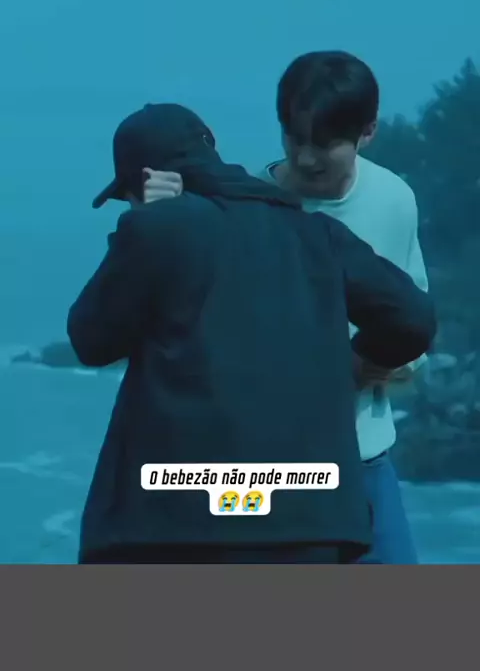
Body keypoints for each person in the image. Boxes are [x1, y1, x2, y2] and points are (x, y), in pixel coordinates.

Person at [68, 102, 436, 565]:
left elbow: (91, 339)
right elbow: (413, 318)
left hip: (179, 524)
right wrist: (352, 364)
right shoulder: (313, 232)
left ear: (144, 181)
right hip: (311, 520)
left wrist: (147, 222)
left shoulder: (160, 228)